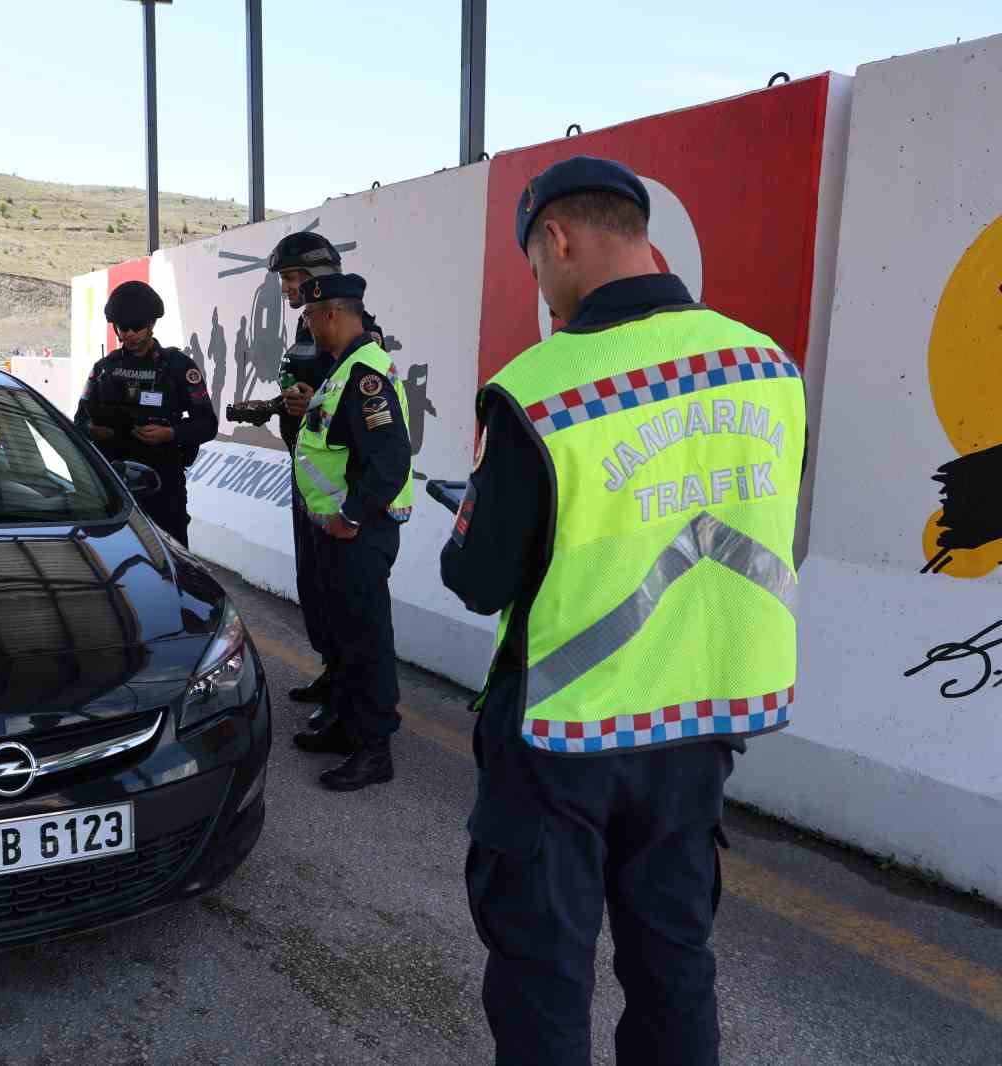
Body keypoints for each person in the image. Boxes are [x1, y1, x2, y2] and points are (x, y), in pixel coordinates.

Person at [440, 156, 806, 1066]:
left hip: (565, 737)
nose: (542, 290)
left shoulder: (541, 388)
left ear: (557, 239)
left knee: (544, 980)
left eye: (536, 266)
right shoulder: (770, 366)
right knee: (676, 964)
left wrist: (472, 516)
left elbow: (480, 578)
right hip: (699, 730)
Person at [289, 273, 412, 792]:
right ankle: (345, 725)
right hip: (336, 531)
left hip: (358, 533)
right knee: (343, 636)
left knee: (365, 640)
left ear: (334, 314)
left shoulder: (365, 376)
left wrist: (353, 516)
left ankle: (373, 748)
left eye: (313, 317)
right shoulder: (342, 372)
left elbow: (390, 460)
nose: (310, 326)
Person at [262, 232, 389, 725]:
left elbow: (351, 412)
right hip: (310, 482)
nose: (290, 288)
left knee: (345, 603)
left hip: (343, 492)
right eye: (285, 280)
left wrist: (309, 400)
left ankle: (355, 707)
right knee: (313, 589)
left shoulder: (357, 332)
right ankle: (334, 672)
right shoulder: (306, 326)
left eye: (295, 277)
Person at [74, 280, 218, 545]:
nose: (128, 334)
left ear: (151, 324)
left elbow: (208, 424)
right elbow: (78, 421)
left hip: (164, 484)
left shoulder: (178, 367)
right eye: (121, 327)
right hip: (113, 484)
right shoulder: (104, 368)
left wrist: (170, 433)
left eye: (135, 327)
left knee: (171, 558)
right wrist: (93, 430)